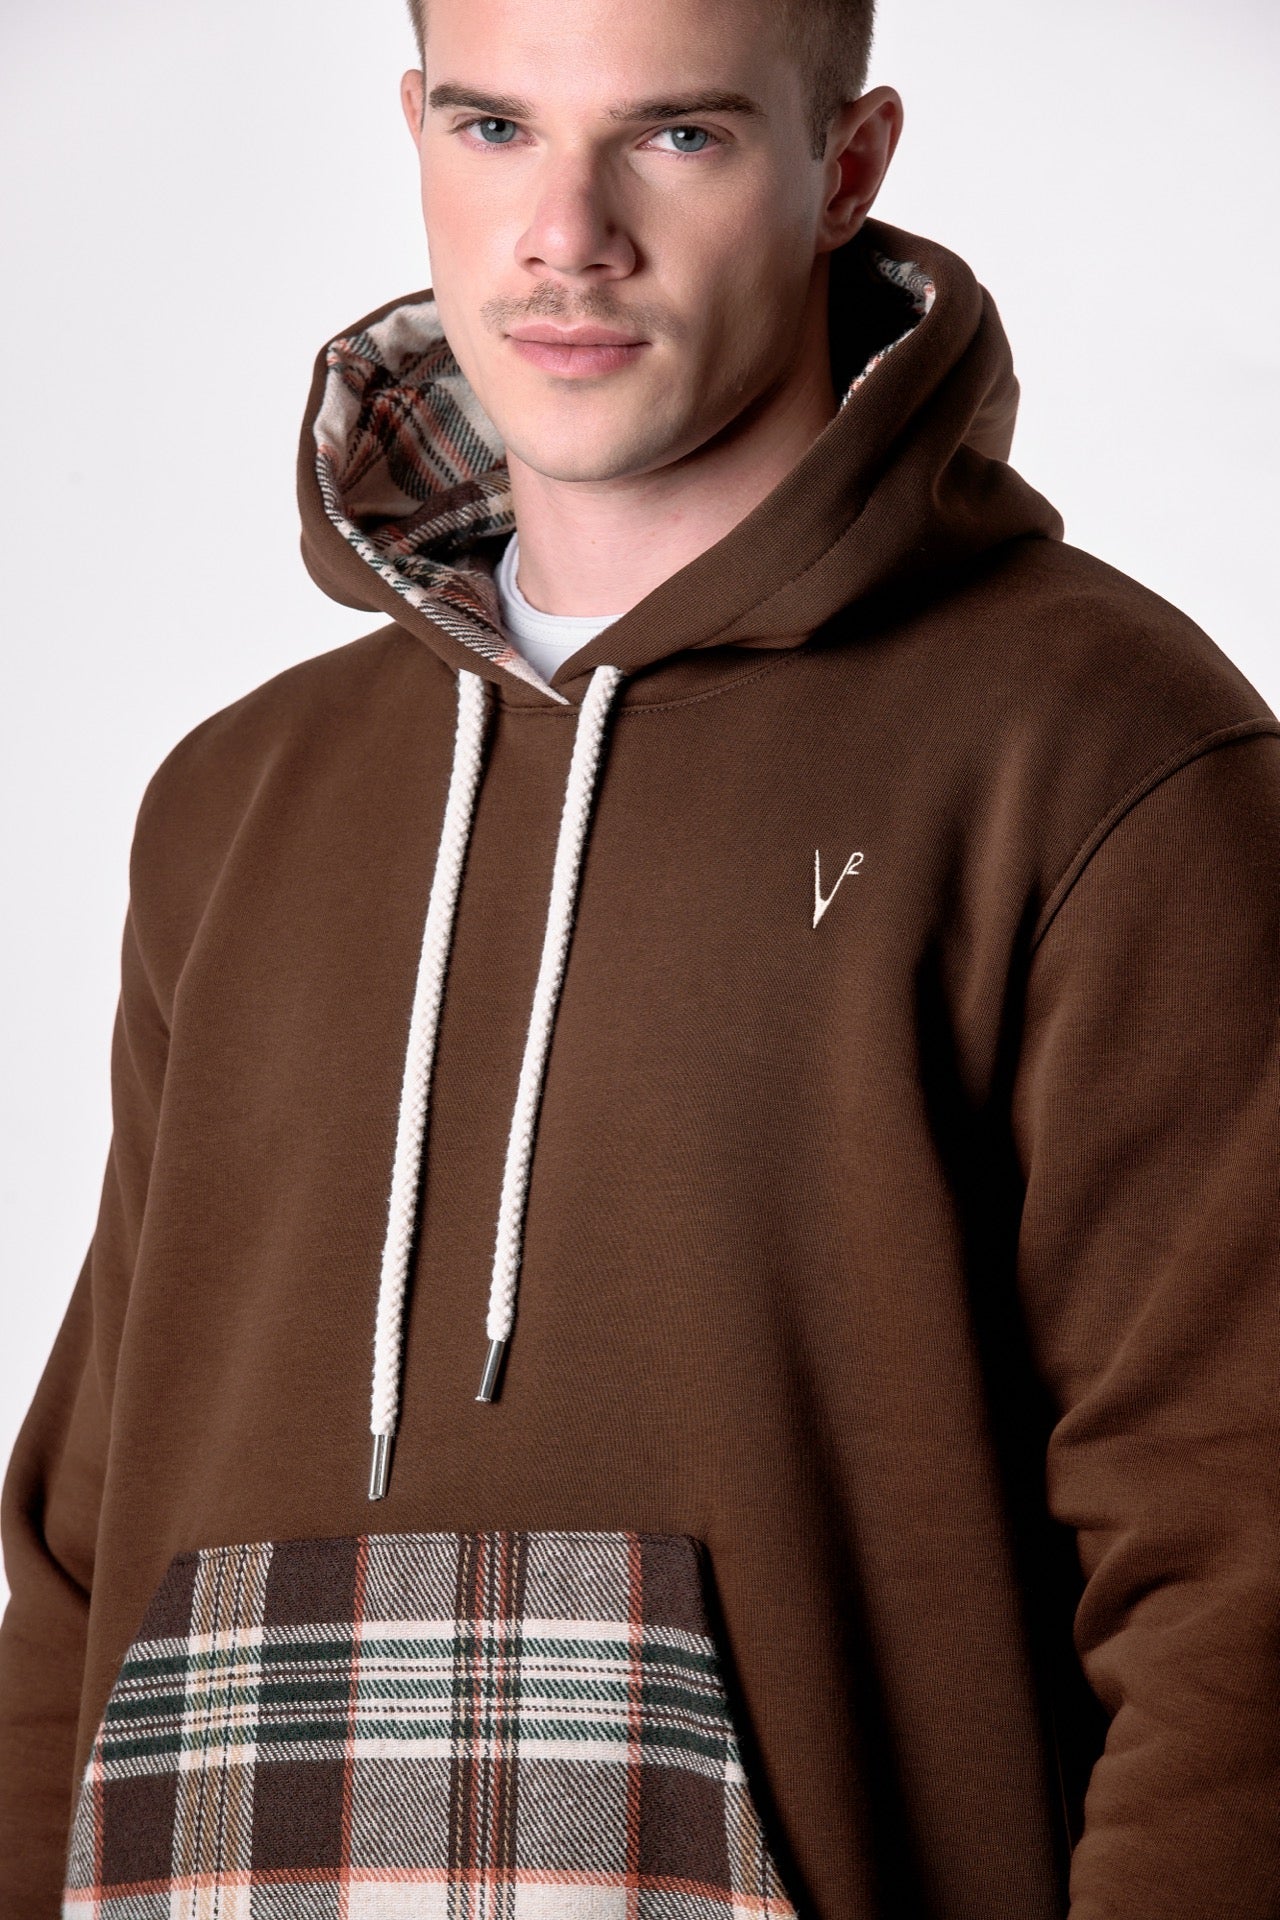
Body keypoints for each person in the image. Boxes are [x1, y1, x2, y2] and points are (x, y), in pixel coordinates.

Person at [3, 0, 1278, 1910]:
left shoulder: (1098, 751)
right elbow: (79, 1560)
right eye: (496, 127)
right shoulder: (236, 803)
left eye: (676, 136)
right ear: (415, 129)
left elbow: (1237, 1570)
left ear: (845, 166)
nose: (565, 235)